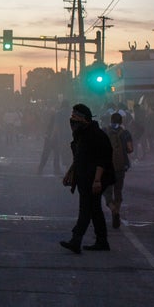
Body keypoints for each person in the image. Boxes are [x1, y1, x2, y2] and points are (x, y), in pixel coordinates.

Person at [60, 103, 115, 254]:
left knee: (86, 209)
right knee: (95, 209)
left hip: (96, 178)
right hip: (85, 177)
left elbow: (102, 160)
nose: (72, 120)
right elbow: (79, 157)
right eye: (71, 116)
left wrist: (97, 180)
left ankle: (76, 240)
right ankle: (102, 241)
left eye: (75, 117)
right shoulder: (81, 134)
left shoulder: (96, 135)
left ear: (84, 118)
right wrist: (70, 173)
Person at [103, 112, 134, 229]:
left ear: (110, 120)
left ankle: (113, 210)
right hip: (121, 167)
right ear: (121, 121)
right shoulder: (125, 133)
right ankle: (117, 211)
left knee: (107, 193)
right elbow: (130, 149)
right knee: (118, 191)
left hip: (107, 167)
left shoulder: (104, 131)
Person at [38, 100, 70, 175]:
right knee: (55, 154)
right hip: (54, 136)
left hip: (52, 136)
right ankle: (55, 170)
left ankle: (41, 169)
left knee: (49, 154)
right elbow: (56, 127)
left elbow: (52, 126)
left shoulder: (58, 113)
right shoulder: (63, 114)